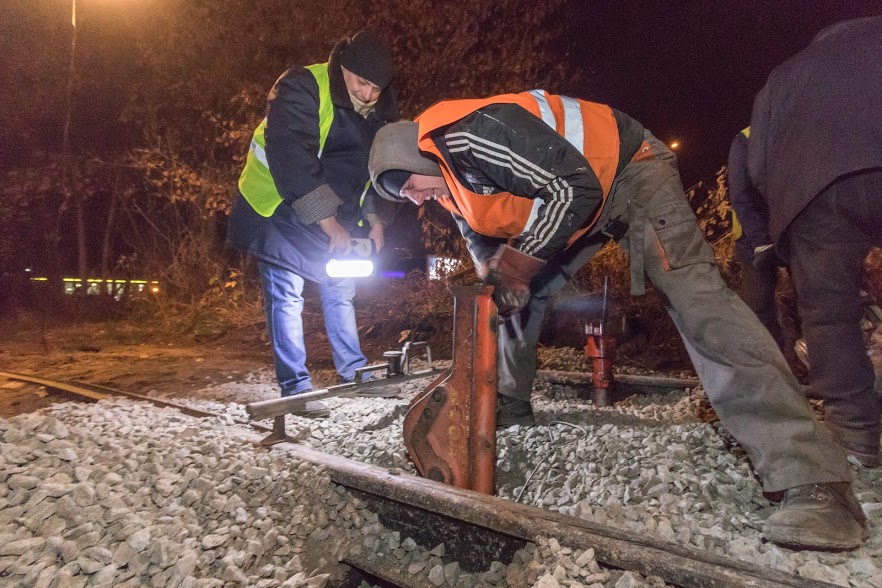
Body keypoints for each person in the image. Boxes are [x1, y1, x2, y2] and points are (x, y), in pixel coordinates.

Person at [368, 90, 867, 550]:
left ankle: (814, 479)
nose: (414, 200)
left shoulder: (472, 132)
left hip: (630, 170)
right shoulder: (450, 187)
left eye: (410, 185)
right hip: (579, 202)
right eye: (405, 197)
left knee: (699, 301)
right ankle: (508, 403)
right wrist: (499, 281)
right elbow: (484, 244)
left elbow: (572, 186)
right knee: (516, 297)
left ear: (422, 157)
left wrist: (518, 267)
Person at [227, 30, 398, 417]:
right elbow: (293, 158)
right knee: (286, 293)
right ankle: (296, 388)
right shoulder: (302, 86)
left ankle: (354, 372)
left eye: (377, 88)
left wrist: (374, 218)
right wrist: (329, 224)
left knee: (340, 286)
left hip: (332, 213)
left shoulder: (380, 109)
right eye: (361, 84)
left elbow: (375, 171)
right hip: (277, 206)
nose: (369, 95)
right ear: (343, 69)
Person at [746, 16, 882, 469]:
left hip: (815, 192)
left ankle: (855, 437)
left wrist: (783, 226)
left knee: (828, 314)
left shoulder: (784, 76)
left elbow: (759, 166)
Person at [727, 127, 789, 354]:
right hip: (753, 237)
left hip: (792, 229)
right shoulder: (746, 138)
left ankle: (803, 364)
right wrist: (762, 242)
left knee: (761, 308)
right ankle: (776, 366)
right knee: (759, 308)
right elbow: (741, 195)